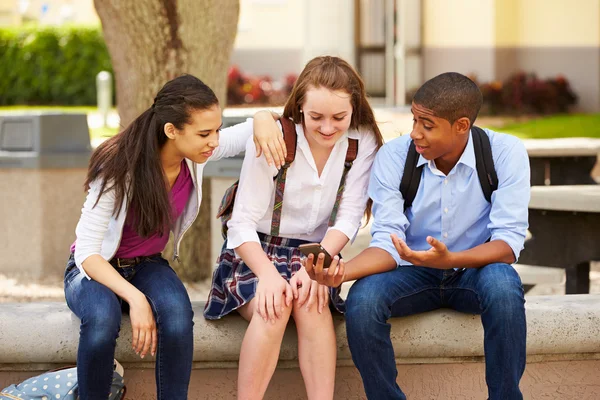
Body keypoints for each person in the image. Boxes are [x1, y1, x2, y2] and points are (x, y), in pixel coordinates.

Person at [306, 72, 530, 400]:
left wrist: (451, 259)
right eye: (414, 120)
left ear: (461, 125)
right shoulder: (396, 157)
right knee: (364, 300)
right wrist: (341, 272)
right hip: (411, 274)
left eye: (427, 124)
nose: (415, 133)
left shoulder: (504, 153)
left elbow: (508, 244)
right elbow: (387, 243)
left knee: (504, 286)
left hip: (474, 271)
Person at [64, 74, 286, 400]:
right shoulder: (117, 165)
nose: (214, 141)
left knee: (178, 317)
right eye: (205, 133)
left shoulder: (197, 151)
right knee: (101, 322)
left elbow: (255, 127)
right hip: (95, 269)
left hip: (147, 264)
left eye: (217, 130)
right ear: (172, 130)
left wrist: (263, 117)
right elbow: (87, 252)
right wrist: (136, 299)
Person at [204, 56, 383, 400]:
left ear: (354, 108)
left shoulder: (362, 143)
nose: (328, 127)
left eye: (339, 117)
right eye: (316, 117)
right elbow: (240, 222)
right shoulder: (276, 137)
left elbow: (348, 217)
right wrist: (269, 275)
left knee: (312, 303)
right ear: (300, 105)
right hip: (254, 252)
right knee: (275, 307)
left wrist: (318, 263)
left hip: (315, 252)